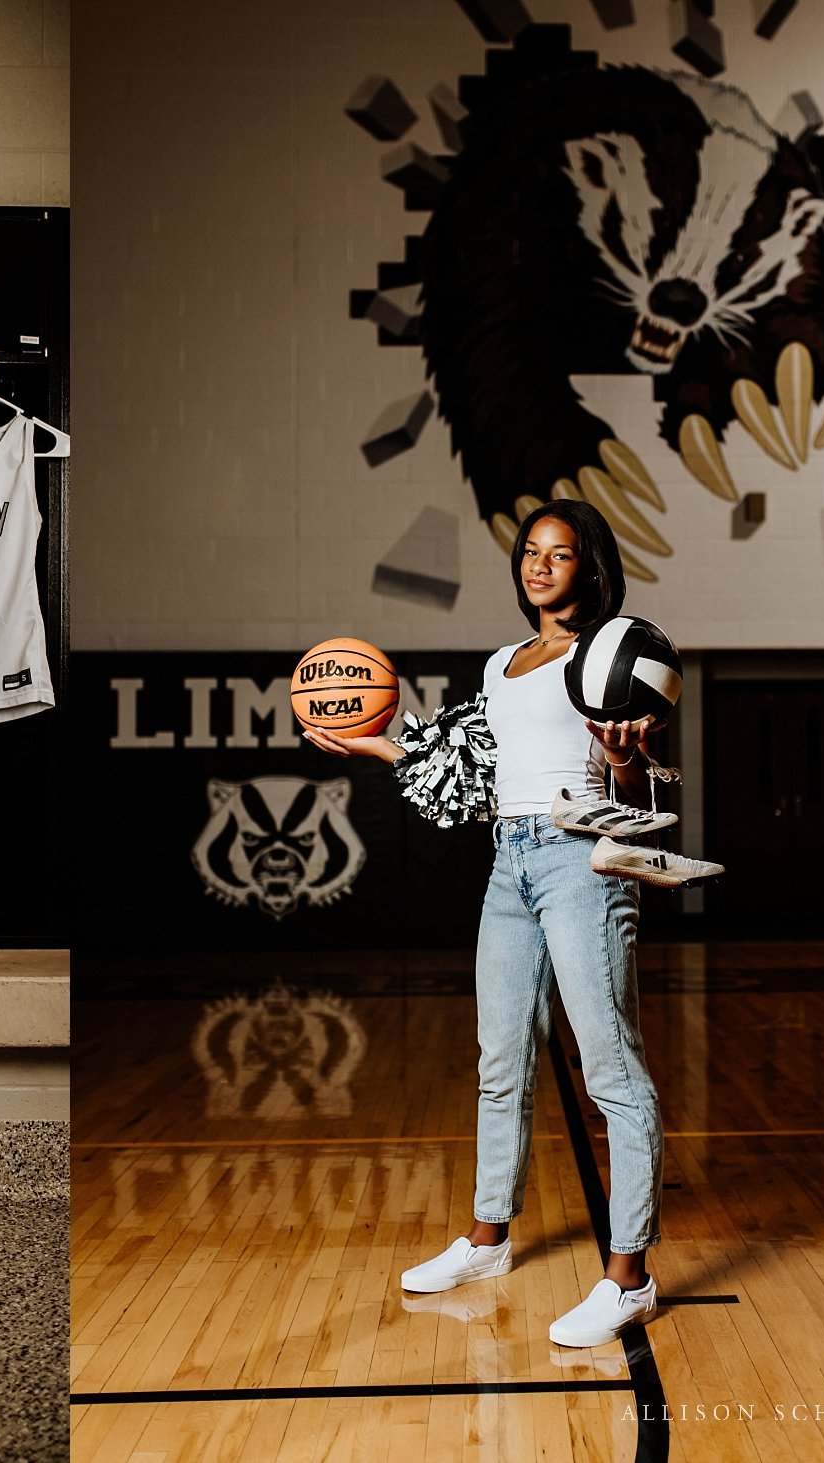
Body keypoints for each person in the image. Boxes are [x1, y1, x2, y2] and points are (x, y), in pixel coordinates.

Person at [305, 500, 670, 1348]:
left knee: (611, 1071)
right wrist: (372, 744)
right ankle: (487, 1238)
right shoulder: (503, 661)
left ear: (591, 565)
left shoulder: (614, 654)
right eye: (531, 552)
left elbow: (639, 795)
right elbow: (464, 777)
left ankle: (630, 1277)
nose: (539, 566)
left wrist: (622, 757)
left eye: (561, 554)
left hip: (581, 858)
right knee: (499, 1062)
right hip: (509, 860)